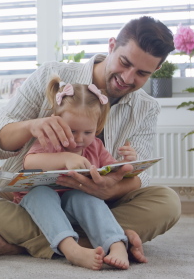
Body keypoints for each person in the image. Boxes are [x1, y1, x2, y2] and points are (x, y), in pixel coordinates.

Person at [0, 16, 181, 263]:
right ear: (111, 46)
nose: (128, 78)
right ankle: (110, 239)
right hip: (27, 197)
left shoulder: (146, 107)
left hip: (94, 204)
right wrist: (32, 126)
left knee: (168, 202)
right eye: (124, 62)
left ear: (156, 71)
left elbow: (141, 175)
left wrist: (112, 189)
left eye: (142, 73)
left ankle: (28, 242)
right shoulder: (52, 75)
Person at [18, 77, 133, 270]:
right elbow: (29, 162)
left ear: (97, 126)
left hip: (75, 208)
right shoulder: (50, 140)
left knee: (86, 197)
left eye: (88, 132)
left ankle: (116, 244)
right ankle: (72, 249)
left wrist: (127, 163)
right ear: (57, 122)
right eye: (72, 131)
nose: (79, 139)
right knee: (41, 193)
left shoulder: (96, 146)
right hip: (40, 208)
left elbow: (111, 172)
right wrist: (64, 158)